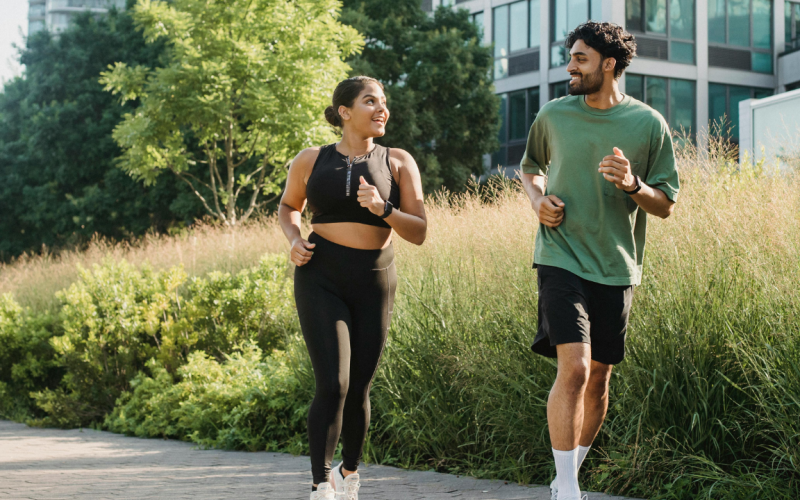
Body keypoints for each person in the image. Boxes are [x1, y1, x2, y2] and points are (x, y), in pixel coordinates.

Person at [519, 22, 679, 500]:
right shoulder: (553, 115)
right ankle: (566, 488)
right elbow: (529, 169)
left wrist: (633, 185)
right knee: (575, 369)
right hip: (560, 257)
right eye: (571, 57)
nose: (570, 67)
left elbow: (665, 203)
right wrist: (537, 201)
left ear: (609, 64)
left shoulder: (648, 124)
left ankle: (567, 472)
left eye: (581, 59)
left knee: (600, 377)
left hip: (616, 264)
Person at [278, 76, 427, 500]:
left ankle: (349, 472)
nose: (383, 110)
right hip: (320, 274)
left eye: (384, 103)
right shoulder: (310, 159)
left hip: (374, 279)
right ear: (345, 112)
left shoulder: (398, 161)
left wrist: (384, 209)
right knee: (333, 383)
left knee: (360, 385)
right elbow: (289, 207)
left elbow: (418, 231)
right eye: (370, 102)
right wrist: (293, 240)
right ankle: (320, 482)